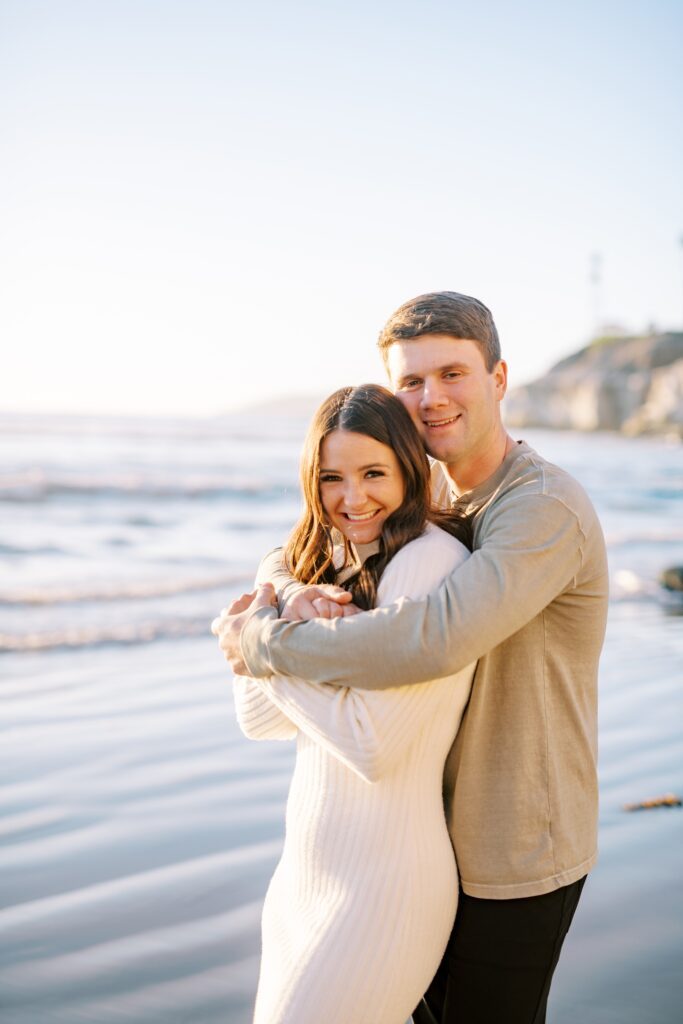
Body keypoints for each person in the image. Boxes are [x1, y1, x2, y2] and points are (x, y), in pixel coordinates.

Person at [215, 291, 609, 1024]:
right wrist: (285, 584)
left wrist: (265, 641)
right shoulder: (433, 498)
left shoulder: (539, 507)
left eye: (452, 374)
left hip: (513, 842)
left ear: (497, 379)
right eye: (411, 381)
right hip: (425, 831)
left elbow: (431, 638)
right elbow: (313, 531)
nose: (431, 398)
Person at [213, 384, 477, 1024]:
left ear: (409, 471)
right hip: (303, 879)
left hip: (383, 890)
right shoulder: (333, 562)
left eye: (373, 473)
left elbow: (371, 746)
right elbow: (259, 718)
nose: (352, 497)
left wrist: (263, 645)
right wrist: (275, 617)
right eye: (332, 477)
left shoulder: (430, 563)